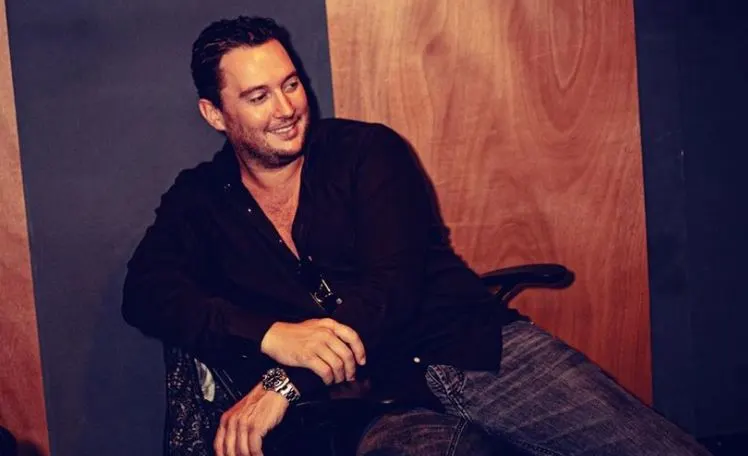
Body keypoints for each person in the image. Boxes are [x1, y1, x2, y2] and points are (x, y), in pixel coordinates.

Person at [122, 16, 712, 456]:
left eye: (291, 84)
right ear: (215, 114)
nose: (286, 108)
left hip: (479, 353)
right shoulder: (200, 198)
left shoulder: (366, 152)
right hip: (383, 404)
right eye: (258, 96)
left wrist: (284, 380)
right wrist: (272, 335)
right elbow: (145, 293)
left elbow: (391, 290)